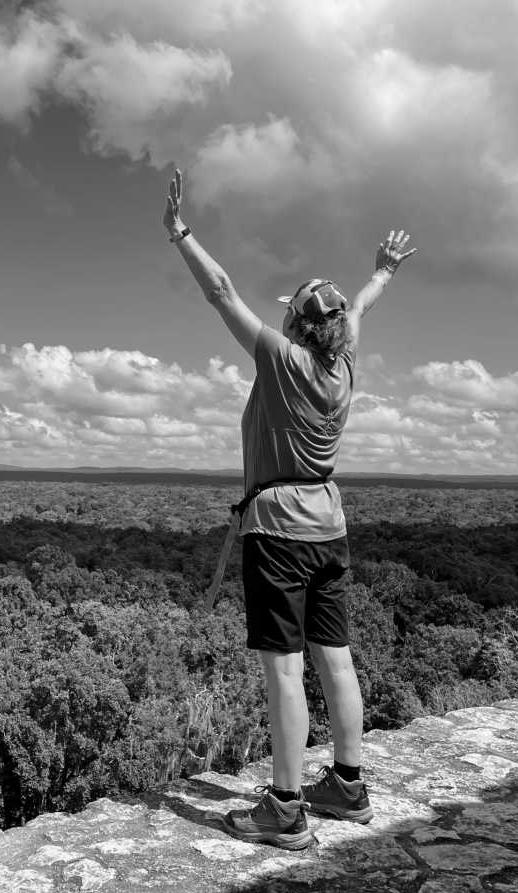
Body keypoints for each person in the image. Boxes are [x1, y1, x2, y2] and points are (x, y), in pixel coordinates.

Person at [162, 168, 417, 850]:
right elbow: (360, 309)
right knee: (337, 659)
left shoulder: (281, 359)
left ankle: (284, 807)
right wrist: (384, 271)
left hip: (278, 529)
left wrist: (180, 232)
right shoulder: (344, 363)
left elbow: (221, 292)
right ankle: (348, 786)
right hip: (329, 524)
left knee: (284, 669)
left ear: (295, 325)